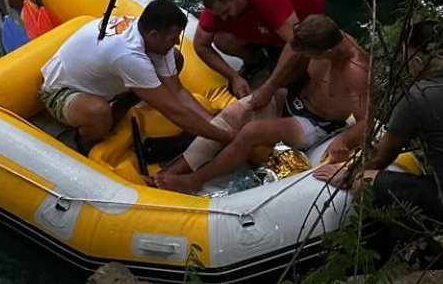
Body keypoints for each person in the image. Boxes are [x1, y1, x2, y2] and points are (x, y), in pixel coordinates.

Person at [314, 20, 443, 224]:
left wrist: (348, 173)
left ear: (416, 61)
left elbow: (381, 158)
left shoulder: (419, 98)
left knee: (363, 180)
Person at [153, 15, 371, 193]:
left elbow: (367, 121)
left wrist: (344, 139)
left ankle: (194, 180)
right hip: (291, 97)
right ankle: (174, 170)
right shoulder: (323, 32)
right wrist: (269, 87)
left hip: (316, 121)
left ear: (327, 54)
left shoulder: (356, 71)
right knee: (237, 111)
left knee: (251, 132)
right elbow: (293, 51)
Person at [39, 0, 233, 149]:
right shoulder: (127, 54)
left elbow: (177, 92)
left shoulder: (149, 36)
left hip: (101, 82)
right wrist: (225, 137)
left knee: (176, 58)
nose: (175, 42)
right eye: (173, 38)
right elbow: (174, 110)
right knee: (99, 114)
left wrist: (216, 125)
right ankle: (84, 142)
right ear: (154, 35)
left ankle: (119, 108)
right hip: (61, 90)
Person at [194, 0, 326, 100]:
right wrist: (234, 77)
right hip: (269, 31)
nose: (223, 18)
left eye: (226, 11)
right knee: (222, 40)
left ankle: (286, 77)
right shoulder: (220, 4)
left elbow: (296, 41)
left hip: (302, 32)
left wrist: (269, 88)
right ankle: (258, 62)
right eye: (219, 15)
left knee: (289, 81)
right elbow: (200, 45)